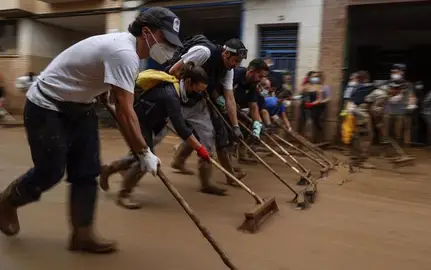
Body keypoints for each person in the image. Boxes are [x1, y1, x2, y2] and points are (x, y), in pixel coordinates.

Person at [0, 7, 182, 253]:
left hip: (81, 106)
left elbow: (105, 84)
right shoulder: (123, 52)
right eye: (165, 39)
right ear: (147, 32)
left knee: (87, 171)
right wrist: (143, 152)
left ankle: (82, 234)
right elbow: (125, 112)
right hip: (47, 104)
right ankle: (7, 202)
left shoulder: (129, 53)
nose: (168, 47)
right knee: (50, 171)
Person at [100, 62, 214, 209]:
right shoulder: (171, 95)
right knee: (146, 160)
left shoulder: (177, 90)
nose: (197, 94)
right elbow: (181, 128)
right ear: (188, 82)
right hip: (136, 121)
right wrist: (200, 149)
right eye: (197, 90)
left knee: (139, 156)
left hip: (145, 123)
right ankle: (124, 194)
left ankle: (109, 169)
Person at [168, 37, 247, 188]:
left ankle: (206, 182)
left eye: (238, 62)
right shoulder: (204, 52)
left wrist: (236, 126)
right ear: (226, 54)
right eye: (235, 61)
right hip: (175, 97)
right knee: (155, 135)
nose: (236, 65)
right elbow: (174, 71)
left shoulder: (228, 70)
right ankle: (129, 165)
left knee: (208, 134)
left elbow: (230, 98)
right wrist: (183, 91)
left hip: (197, 101)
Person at [233, 58, 269, 164]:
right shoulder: (235, 74)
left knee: (249, 124)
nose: (261, 79)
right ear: (251, 71)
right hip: (218, 103)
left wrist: (257, 127)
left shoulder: (253, 85)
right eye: (260, 76)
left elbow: (253, 106)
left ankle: (242, 154)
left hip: (236, 107)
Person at [387, 63, 417, 146]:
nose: (394, 74)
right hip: (391, 111)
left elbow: (412, 96)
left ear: (402, 73)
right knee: (392, 132)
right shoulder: (387, 84)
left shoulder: (408, 85)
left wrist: (411, 105)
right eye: (393, 72)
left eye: (396, 72)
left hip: (404, 111)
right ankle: (392, 149)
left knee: (406, 129)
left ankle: (406, 147)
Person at [297, 71, 331, 142]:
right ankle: (301, 141)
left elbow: (319, 99)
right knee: (302, 122)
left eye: (316, 77)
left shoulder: (319, 87)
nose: (314, 78)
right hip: (304, 107)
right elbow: (301, 93)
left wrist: (311, 104)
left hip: (314, 108)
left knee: (313, 124)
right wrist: (303, 83)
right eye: (313, 76)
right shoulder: (306, 85)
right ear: (309, 77)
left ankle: (314, 141)